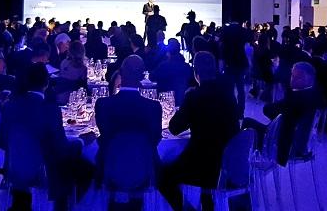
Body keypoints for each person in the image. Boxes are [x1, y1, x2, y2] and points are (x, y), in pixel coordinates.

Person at [0, 63, 92, 211]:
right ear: (46, 83)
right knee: (86, 168)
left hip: (14, 170)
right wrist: (80, 142)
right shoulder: (50, 109)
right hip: (44, 173)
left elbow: (2, 142)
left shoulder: (10, 106)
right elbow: (61, 149)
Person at [158, 51, 240, 211]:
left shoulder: (194, 96)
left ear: (196, 72)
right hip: (228, 163)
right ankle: (206, 203)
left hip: (202, 164)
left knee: (163, 177)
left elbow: (174, 128)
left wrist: (185, 105)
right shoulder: (229, 95)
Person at [94, 55, 162, 210]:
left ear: (120, 73)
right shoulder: (153, 107)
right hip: (144, 167)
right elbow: (155, 140)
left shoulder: (103, 104)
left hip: (109, 167)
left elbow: (104, 137)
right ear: (142, 76)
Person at [244, 61, 324, 166]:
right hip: (299, 144)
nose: (293, 80)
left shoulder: (297, 97)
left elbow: (269, 109)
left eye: (299, 77)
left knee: (247, 124)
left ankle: (242, 168)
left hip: (282, 146)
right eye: (293, 76)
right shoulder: (314, 96)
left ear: (310, 79)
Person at [149, 39, 193, 106]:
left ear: (168, 51)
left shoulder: (164, 66)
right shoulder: (186, 66)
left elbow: (152, 77)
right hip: (183, 101)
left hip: (165, 102)